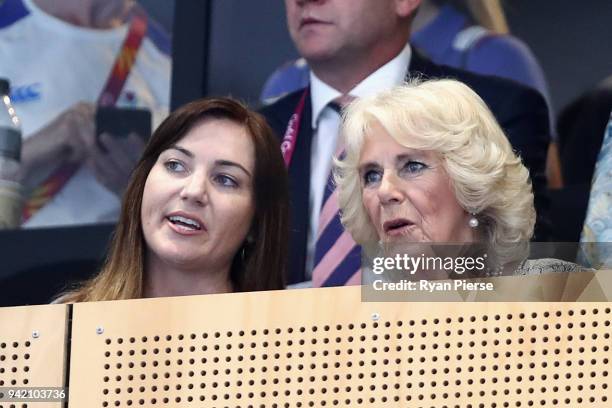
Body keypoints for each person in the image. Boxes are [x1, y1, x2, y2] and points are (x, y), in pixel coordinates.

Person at [260, 0, 551, 286]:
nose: (304, 0)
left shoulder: (496, 109)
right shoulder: (255, 134)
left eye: (412, 165)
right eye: (370, 176)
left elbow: (523, 271)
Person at [335, 79, 580, 276]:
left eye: (412, 166)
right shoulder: (360, 324)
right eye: (372, 175)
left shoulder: (560, 294)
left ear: (472, 184)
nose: (385, 191)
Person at [56, 98, 289, 302]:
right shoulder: (67, 321)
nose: (194, 191)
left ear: (256, 223)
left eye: (225, 179)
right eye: (175, 165)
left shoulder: (284, 341)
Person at [0, 0, 171, 227]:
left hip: (115, 258)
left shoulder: (173, 60)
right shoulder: (8, 26)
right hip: (17, 259)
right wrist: (31, 154)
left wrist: (138, 193)